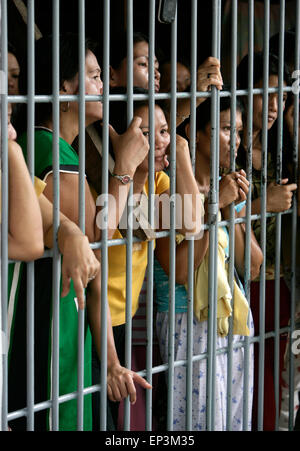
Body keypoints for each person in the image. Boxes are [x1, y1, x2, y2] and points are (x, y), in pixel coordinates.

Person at [8, 33, 151, 431]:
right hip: (47, 321)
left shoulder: (54, 145)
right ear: (64, 89)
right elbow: (97, 235)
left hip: (63, 313)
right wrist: (124, 168)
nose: (103, 86)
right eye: (93, 76)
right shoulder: (48, 148)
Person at [92, 87, 202, 430]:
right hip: (89, 322)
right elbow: (98, 248)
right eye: (146, 133)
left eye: (164, 130)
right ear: (119, 137)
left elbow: (192, 222)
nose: (160, 141)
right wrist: (127, 169)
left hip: (123, 322)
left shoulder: (156, 181)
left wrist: (180, 147)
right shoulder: (99, 184)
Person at [155, 94, 263, 431]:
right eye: (227, 129)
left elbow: (253, 266)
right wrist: (214, 206)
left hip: (231, 315)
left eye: (241, 132)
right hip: (186, 320)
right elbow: (182, 270)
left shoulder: (229, 185)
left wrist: (230, 209)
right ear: (194, 133)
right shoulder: (165, 189)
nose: (237, 141)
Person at [236, 51, 296, 431]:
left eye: (282, 96)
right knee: (239, 383)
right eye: (265, 93)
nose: (275, 105)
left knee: (271, 383)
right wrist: (263, 204)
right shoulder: (229, 147)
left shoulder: (281, 151)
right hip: (238, 284)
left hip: (277, 285)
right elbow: (215, 209)